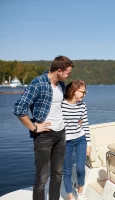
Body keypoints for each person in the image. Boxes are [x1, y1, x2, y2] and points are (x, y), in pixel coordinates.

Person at [13, 55, 74, 200]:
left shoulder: (61, 85)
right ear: (59, 70)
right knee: (42, 177)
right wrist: (34, 127)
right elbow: (19, 108)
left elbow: (59, 107)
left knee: (58, 173)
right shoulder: (38, 83)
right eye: (68, 73)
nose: (69, 76)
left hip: (61, 133)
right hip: (44, 136)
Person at [61, 80, 91, 200]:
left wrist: (89, 144)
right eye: (83, 92)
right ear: (74, 91)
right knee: (67, 169)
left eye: (85, 92)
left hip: (80, 139)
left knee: (80, 167)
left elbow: (85, 124)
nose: (84, 95)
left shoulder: (82, 105)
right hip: (65, 142)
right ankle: (70, 196)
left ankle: (80, 190)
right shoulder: (61, 105)